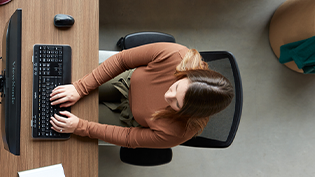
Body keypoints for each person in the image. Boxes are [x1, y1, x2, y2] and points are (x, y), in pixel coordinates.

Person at [49, 42, 234, 149]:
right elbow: (122, 60)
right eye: (175, 87)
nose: (167, 96)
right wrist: (80, 88)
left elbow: (130, 137)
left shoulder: (180, 131)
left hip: (128, 118)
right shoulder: (176, 55)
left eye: (176, 103)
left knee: (59, 122)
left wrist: (81, 126)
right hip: (127, 81)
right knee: (60, 86)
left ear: (188, 113)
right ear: (187, 74)